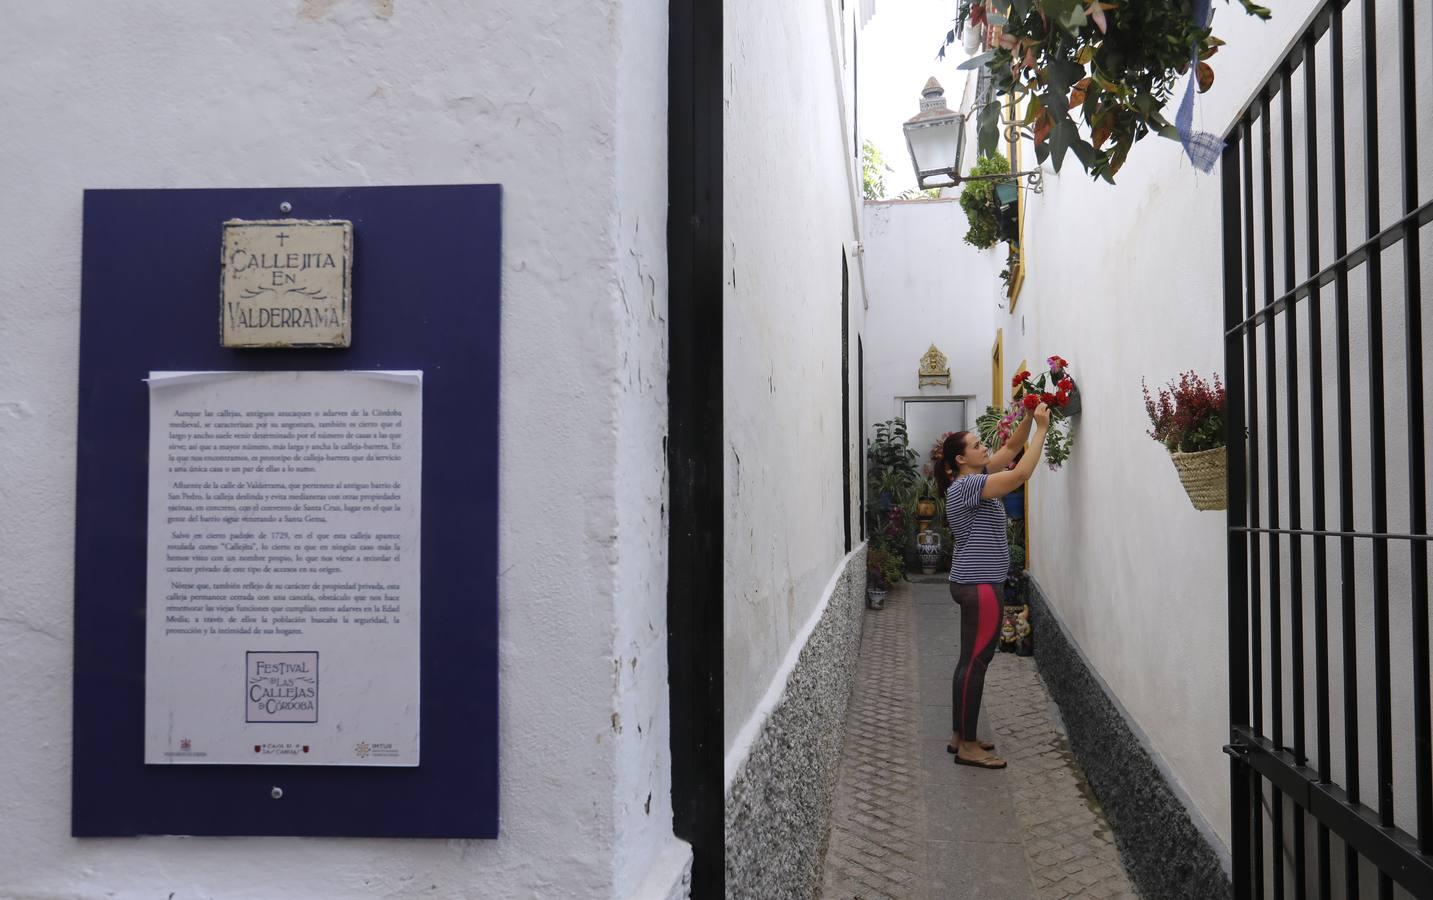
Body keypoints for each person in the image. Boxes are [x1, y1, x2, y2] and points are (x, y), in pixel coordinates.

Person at [935, 401, 1050, 769]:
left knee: (969, 661)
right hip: (980, 584)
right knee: (977, 662)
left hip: (975, 582)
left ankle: (960, 736)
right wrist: (1044, 430)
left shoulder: (972, 477)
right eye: (975, 446)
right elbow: (1019, 476)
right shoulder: (968, 486)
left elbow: (1011, 450)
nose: (983, 447)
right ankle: (968, 745)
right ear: (960, 461)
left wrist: (1030, 418)